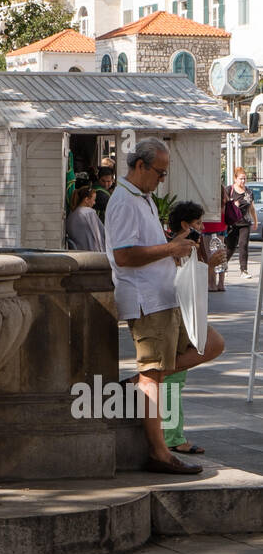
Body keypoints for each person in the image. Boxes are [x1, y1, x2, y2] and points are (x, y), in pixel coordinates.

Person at [104, 136, 224, 476]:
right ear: (140, 166)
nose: (162, 179)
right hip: (147, 300)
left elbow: (146, 250)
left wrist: (180, 252)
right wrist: (170, 249)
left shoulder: (141, 198)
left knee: (211, 343)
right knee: (155, 374)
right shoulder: (124, 201)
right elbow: (124, 256)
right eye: (159, 171)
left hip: (164, 295)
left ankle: (140, 382)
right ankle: (160, 451)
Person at [161, 201, 228, 456]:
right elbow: (182, 280)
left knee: (177, 376)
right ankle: (172, 436)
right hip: (177, 313)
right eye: (198, 223)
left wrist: (209, 263)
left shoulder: (187, 247)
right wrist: (209, 265)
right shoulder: (179, 247)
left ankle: (173, 434)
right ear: (185, 225)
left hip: (183, 313)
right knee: (175, 374)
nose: (202, 228)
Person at [225, 166, 258, 279]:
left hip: (245, 222)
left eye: (244, 178)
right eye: (241, 178)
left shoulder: (248, 192)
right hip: (232, 224)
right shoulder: (229, 190)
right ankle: (223, 266)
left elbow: (252, 208)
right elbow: (222, 205)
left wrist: (255, 221)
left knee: (243, 245)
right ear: (235, 179)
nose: (243, 181)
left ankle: (244, 270)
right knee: (230, 247)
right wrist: (232, 204)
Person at [202, 182, 228, 293]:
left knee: (210, 256)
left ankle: (211, 284)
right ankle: (221, 283)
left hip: (208, 227)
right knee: (221, 254)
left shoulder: (206, 195)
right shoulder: (223, 196)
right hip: (221, 227)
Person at [66, 184, 106, 251]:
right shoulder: (89, 213)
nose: (94, 203)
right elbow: (99, 235)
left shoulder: (72, 212)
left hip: (78, 251)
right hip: (91, 253)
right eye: (93, 200)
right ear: (86, 199)